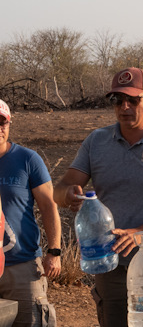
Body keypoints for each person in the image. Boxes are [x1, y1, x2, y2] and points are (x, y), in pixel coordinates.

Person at [53, 68, 143, 326]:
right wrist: (68, 194)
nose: (124, 106)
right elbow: (61, 188)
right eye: (117, 100)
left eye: (133, 99)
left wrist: (140, 233)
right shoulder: (97, 141)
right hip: (111, 259)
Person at [0, 99, 60, 326]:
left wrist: (54, 251)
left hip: (23, 266)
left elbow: (49, 206)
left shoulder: (27, 159)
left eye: (2, 122)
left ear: (9, 124)